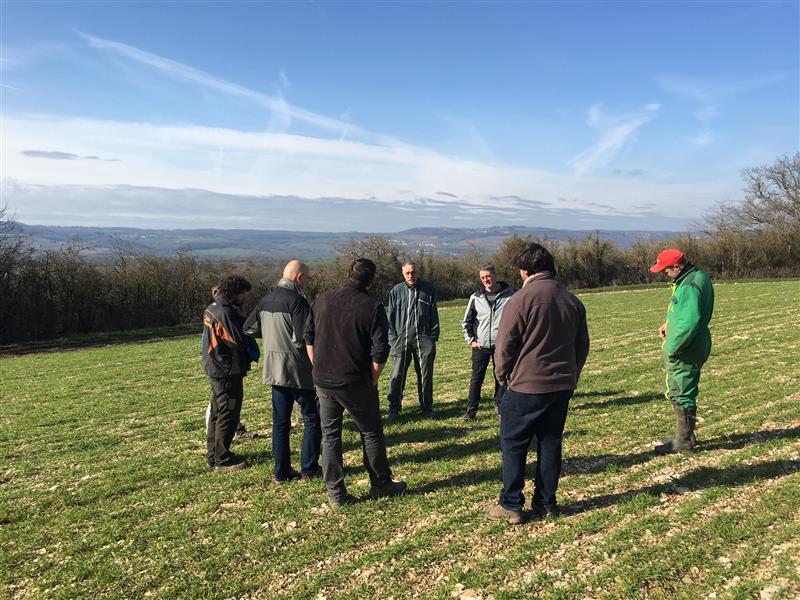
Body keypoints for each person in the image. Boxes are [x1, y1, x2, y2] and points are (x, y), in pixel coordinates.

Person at [488, 243, 589, 524]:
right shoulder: (572, 300)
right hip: (561, 385)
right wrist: (572, 374)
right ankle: (546, 503)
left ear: (525, 270)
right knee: (550, 443)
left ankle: (511, 504)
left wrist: (503, 377)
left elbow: (504, 346)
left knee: (514, 444)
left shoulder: (519, 300)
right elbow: (582, 345)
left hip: (525, 385)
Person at [304, 258, 406, 508]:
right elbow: (380, 351)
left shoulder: (322, 299)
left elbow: (308, 337)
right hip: (355, 380)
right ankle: (381, 483)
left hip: (324, 379)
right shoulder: (372, 306)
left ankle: (335, 494)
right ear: (371, 281)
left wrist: (318, 366)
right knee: (370, 432)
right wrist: (373, 379)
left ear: (347, 273)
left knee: (330, 435)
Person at [244, 260, 322, 482]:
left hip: (274, 370)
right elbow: (303, 337)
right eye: (306, 279)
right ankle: (309, 468)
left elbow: (248, 328)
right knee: (312, 418)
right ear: (299, 278)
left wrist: (271, 336)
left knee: (280, 423)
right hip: (298, 370)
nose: (307, 283)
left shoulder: (265, 299)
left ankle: (281, 471)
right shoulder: (297, 301)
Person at [650, 248, 714, 454]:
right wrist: (669, 324)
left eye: (666, 270)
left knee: (681, 392)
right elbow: (686, 312)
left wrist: (672, 348)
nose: (664, 273)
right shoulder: (698, 276)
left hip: (686, 348)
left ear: (677, 266)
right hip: (695, 343)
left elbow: (689, 323)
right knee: (682, 389)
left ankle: (683, 442)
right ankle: (685, 435)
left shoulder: (689, 286)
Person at [201, 274, 255, 472]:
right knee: (228, 413)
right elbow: (237, 340)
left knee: (217, 413)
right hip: (227, 370)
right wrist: (243, 319)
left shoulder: (212, 308)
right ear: (234, 293)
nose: (244, 297)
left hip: (214, 367)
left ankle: (213, 454)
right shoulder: (226, 312)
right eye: (243, 293)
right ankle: (222, 459)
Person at [386, 261, 440, 420]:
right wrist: (392, 338)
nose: (411, 275)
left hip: (423, 339)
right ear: (403, 274)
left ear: (418, 273)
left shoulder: (428, 289)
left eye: (413, 272)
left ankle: (427, 407)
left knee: (425, 375)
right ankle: (394, 409)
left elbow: (434, 314)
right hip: (400, 340)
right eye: (407, 273)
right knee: (397, 375)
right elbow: (391, 317)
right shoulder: (396, 291)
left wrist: (432, 337)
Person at [461, 264, 514, 421]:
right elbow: (466, 322)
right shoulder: (476, 297)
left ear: (496, 275)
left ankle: (500, 407)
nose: (486, 280)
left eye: (488, 276)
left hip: (502, 346)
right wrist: (471, 340)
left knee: (501, 378)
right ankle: (471, 412)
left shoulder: (510, 296)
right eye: (482, 277)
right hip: (481, 346)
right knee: (476, 379)